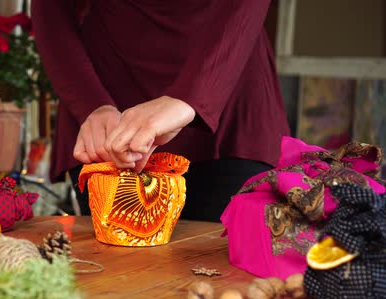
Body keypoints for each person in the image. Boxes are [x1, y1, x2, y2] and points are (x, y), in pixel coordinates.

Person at [31, 0, 290, 222]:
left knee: (234, 273)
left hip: (230, 102)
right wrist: (92, 105)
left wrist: (193, 97)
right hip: (105, 110)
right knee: (116, 272)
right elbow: (52, 11)